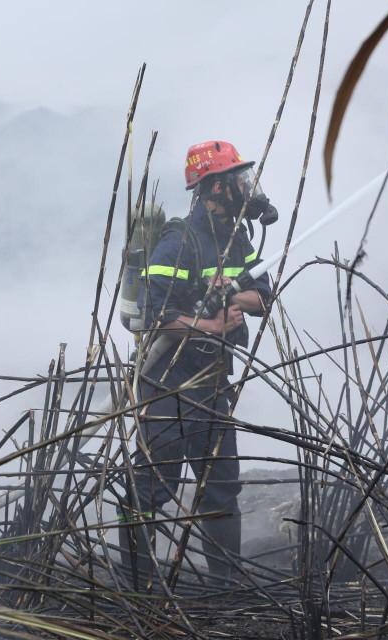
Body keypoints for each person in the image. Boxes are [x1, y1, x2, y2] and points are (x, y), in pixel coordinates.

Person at [119, 140, 272, 588]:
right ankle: (141, 589)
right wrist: (213, 326)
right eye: (237, 179)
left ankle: (227, 589)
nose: (246, 186)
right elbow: (152, 315)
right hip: (168, 383)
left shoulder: (237, 239)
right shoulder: (177, 241)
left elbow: (264, 296)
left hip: (213, 382)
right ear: (215, 187)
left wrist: (231, 290)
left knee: (221, 485)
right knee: (154, 487)